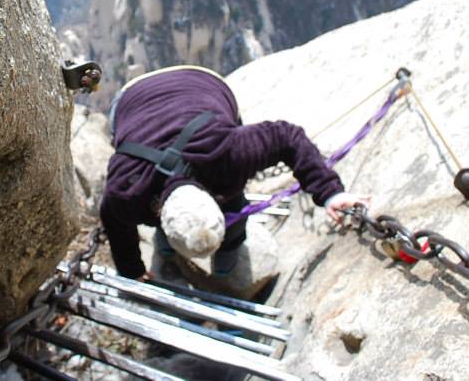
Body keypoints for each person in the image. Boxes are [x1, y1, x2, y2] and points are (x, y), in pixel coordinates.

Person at [100, 65, 370, 280]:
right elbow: (113, 221)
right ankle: (221, 261)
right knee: (233, 203)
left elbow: (288, 137)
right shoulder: (127, 190)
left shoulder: (227, 154)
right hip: (149, 97)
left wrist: (331, 194)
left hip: (186, 87)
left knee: (231, 203)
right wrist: (132, 270)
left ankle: (193, 251)